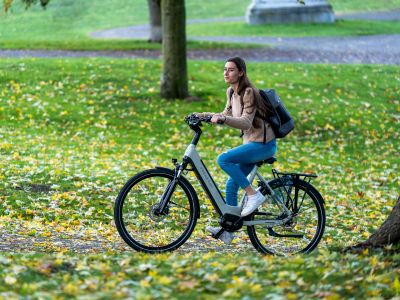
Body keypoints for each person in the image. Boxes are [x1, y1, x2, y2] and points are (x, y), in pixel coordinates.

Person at [196, 57, 277, 244]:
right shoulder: (231, 91)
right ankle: (228, 230)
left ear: (241, 72)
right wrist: (202, 115)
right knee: (231, 184)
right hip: (252, 145)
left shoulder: (249, 92)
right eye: (224, 69)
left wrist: (223, 120)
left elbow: (245, 122)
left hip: (263, 146)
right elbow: (225, 114)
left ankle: (253, 195)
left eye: (231, 70)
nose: (226, 73)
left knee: (223, 159)